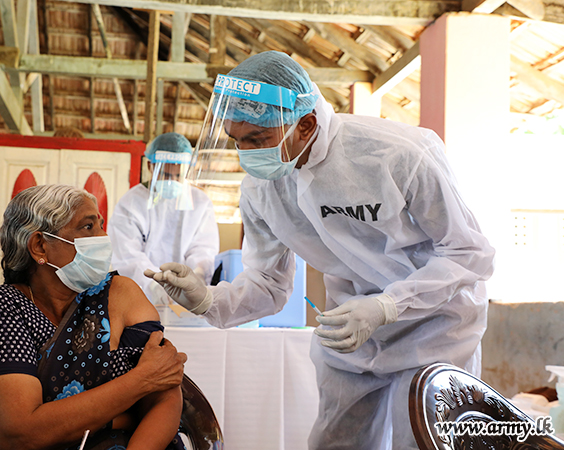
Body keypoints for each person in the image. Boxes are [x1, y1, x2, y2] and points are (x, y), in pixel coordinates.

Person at [145, 51, 495, 450]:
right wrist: (207, 298)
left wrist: (387, 305)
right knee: (335, 443)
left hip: (436, 327)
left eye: (257, 140)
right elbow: (268, 282)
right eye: (237, 140)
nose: (246, 154)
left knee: (421, 441)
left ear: (306, 124)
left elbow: (469, 252)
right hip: (348, 334)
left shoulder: (397, 154)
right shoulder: (263, 189)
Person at [0, 184, 188, 450]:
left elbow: (163, 394)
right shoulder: (4, 307)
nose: (102, 236)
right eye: (87, 227)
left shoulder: (120, 293)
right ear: (39, 246)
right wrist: (140, 382)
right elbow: (20, 433)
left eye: (101, 225)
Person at [110, 132, 219, 306]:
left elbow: (203, 250)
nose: (172, 182)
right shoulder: (131, 202)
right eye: (166, 175)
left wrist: (194, 280)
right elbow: (126, 255)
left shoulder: (200, 203)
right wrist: (155, 285)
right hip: (139, 295)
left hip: (185, 301)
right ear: (149, 166)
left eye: (178, 176)